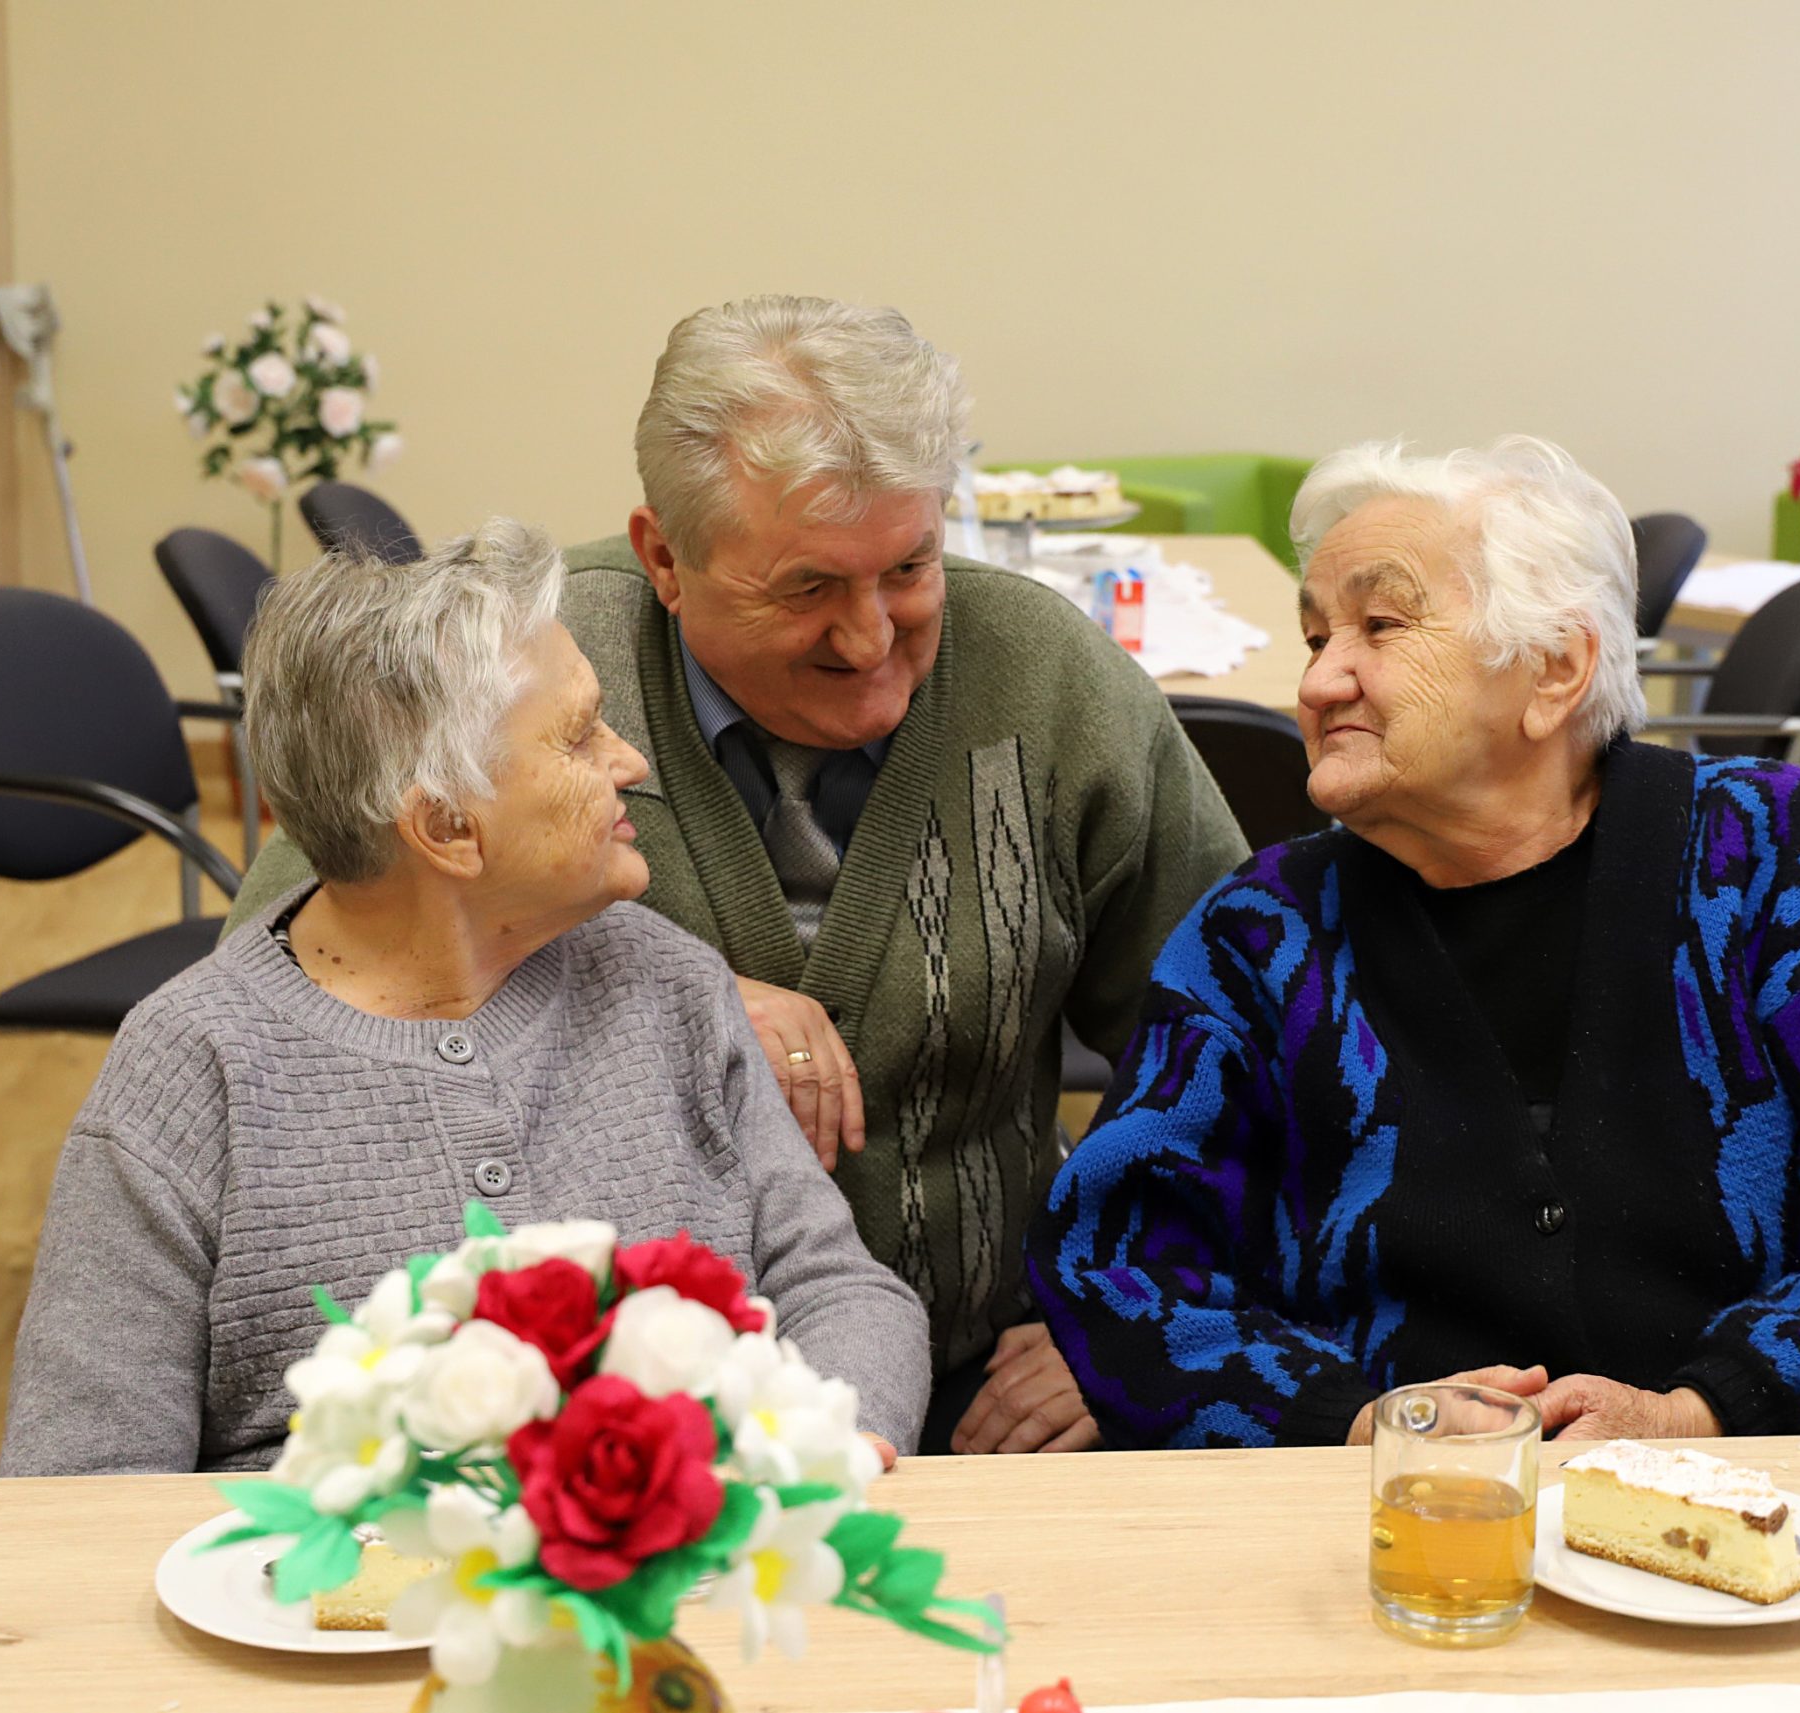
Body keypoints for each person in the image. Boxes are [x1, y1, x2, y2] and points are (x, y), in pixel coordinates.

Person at [226, 298, 1251, 1454]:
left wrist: (1122, 1314)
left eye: (909, 568)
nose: (869, 639)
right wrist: (655, 998)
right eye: (807, 588)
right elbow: (276, 988)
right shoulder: (522, 673)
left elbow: (1238, 1035)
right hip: (560, 1427)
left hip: (980, 1390)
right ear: (665, 555)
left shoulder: (1050, 683)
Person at [1028, 438, 1800, 1448]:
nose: (1317, 684)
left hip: (1751, 1533)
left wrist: (1697, 1413)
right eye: (1314, 639)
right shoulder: (1261, 937)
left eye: (1378, 626)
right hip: (1386, 1544)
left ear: (1555, 669)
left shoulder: (1773, 868)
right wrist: (1354, 1427)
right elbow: (1119, 1263)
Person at [1, 523, 931, 1476]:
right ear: (447, 827)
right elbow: (80, 1477)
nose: (631, 763)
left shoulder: (669, 982)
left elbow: (840, 1291)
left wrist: (824, 1455)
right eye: (579, 736)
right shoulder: (194, 1071)